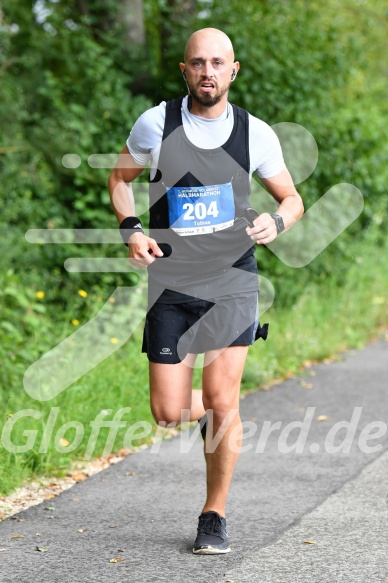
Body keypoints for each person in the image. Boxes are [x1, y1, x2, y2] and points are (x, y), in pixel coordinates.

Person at [108, 27, 304, 555]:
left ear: (233, 70)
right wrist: (132, 230)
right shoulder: (156, 123)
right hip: (171, 282)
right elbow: (120, 179)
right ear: (185, 71)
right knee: (169, 412)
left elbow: (291, 199)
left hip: (231, 279)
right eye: (198, 63)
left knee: (220, 399)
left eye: (218, 63)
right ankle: (226, 413)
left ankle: (213, 514)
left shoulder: (255, 133)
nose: (208, 72)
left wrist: (276, 223)